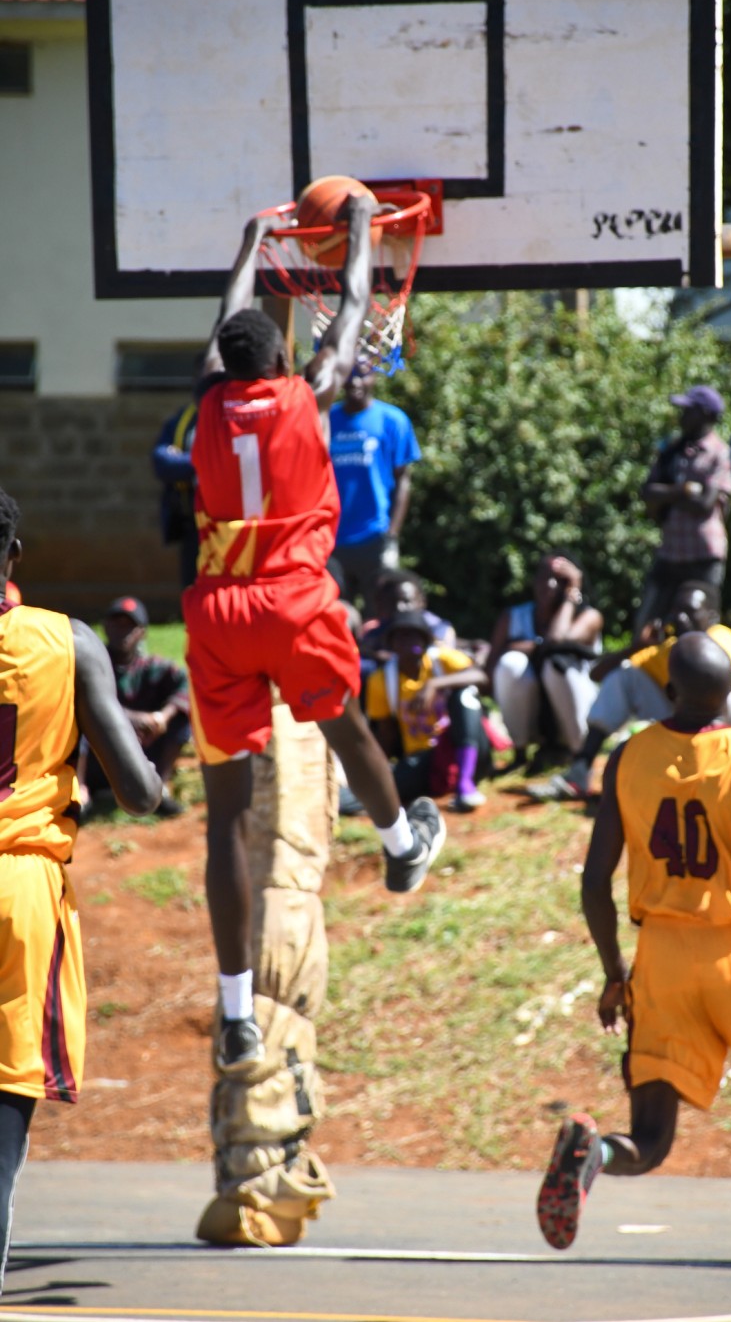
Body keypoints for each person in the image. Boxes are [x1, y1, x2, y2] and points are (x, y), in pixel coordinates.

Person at [182, 197, 446, 1074]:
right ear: (286, 359)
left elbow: (225, 324)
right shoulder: (310, 392)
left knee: (226, 818)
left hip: (219, 610)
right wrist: (364, 228)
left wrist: (253, 244)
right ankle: (401, 841)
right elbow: (359, 305)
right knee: (344, 722)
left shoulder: (208, 404)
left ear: (224, 364)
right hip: (293, 600)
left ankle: (234, 1011)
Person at [535, 632, 731, 1322]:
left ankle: (596, 1153)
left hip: (663, 957)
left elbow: (594, 883)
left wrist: (616, 972)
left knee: (649, 1140)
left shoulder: (626, 758)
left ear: (668, 688)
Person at [0, 488, 162, 1295]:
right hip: (19, 888)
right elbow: (137, 791)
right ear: (15, 557)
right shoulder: (66, 641)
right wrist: (152, 765)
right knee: (0, 1128)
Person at [529, 581, 731, 800]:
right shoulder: (670, 649)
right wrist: (637, 647)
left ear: (712, 616)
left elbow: (718, 683)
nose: (680, 617)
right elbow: (598, 674)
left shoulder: (719, 636)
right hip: (696, 733)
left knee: (721, 692)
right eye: (676, 610)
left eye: (690, 610)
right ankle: (580, 769)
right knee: (626, 676)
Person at [486, 551, 604, 773]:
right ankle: (520, 751)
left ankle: (578, 754)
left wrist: (572, 594)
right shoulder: (513, 616)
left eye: (560, 580)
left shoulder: (589, 616)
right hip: (534, 715)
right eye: (543, 576)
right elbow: (491, 669)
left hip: (577, 717)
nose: (549, 584)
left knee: (556, 665)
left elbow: (557, 640)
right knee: (511, 662)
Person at [76, 596, 190, 819]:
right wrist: (132, 719)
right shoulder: (92, 664)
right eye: (117, 624)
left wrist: (162, 718)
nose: (122, 631)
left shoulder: (153, 668)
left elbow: (185, 686)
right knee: (80, 720)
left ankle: (159, 786)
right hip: (99, 758)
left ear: (142, 632)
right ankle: (80, 790)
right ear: (106, 627)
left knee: (182, 717)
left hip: (141, 756)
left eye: (130, 626)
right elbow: (79, 699)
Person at [365, 609, 490, 812]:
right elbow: (386, 732)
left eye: (415, 634)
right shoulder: (381, 680)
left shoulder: (442, 660)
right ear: (391, 643)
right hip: (424, 759)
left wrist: (434, 684)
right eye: (401, 635)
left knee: (465, 696)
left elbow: (480, 676)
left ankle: (465, 784)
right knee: (388, 785)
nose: (409, 641)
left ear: (425, 639)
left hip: (461, 746)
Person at [634, 384, 731, 636]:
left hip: (703, 554)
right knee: (648, 623)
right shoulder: (671, 451)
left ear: (706, 415)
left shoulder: (719, 454)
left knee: (701, 625)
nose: (682, 417)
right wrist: (684, 490)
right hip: (670, 552)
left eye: (688, 411)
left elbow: (704, 505)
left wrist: (667, 494)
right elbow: (647, 491)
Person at [329, 363, 421, 616]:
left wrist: (392, 535)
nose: (355, 383)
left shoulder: (393, 421)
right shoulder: (327, 420)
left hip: (374, 536)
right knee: (334, 614)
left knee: (379, 615)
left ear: (374, 378)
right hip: (332, 540)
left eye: (362, 375)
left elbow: (403, 480)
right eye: (349, 376)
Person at [151, 397, 199, 590]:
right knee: (192, 588)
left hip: (226, 524)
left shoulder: (232, 411)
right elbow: (163, 462)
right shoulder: (186, 418)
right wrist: (205, 460)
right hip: (192, 521)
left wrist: (185, 460)